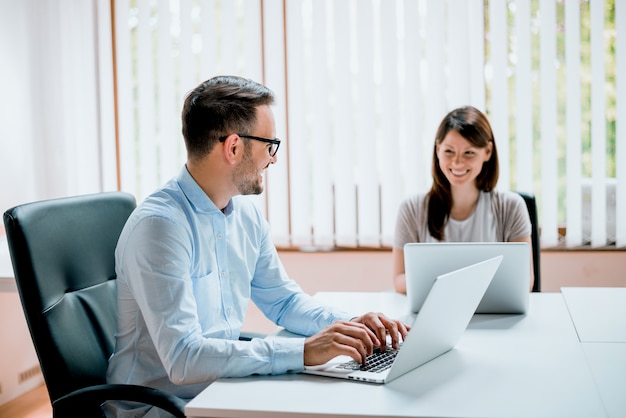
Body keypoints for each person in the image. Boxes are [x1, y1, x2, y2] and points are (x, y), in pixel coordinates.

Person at [105, 75, 409, 417]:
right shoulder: (160, 228)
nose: (273, 159)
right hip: (161, 407)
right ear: (234, 147)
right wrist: (304, 351)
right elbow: (184, 358)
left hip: (222, 390)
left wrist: (352, 327)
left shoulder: (245, 216)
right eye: (270, 145)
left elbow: (284, 300)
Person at [392, 105, 533, 294]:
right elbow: (399, 278)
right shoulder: (411, 208)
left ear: (488, 152)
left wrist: (450, 284)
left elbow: (524, 281)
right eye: (449, 151)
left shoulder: (511, 207)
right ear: (438, 149)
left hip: (493, 316)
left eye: (469, 153)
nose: (457, 163)